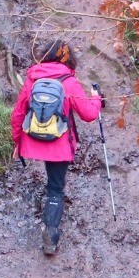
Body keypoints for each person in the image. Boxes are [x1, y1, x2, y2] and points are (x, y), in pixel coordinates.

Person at [10, 42, 103, 258]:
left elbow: (18, 113)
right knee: (55, 188)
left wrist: (18, 142)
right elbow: (89, 114)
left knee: (52, 181)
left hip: (32, 141)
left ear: (45, 56)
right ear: (69, 59)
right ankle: (50, 236)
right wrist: (96, 98)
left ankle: (49, 223)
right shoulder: (69, 82)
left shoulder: (33, 79)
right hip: (58, 145)